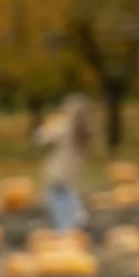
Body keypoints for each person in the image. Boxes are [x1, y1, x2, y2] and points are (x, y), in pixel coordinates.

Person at [37, 94, 95, 233]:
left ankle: (68, 229)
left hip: (58, 169)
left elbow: (40, 138)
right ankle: (79, 220)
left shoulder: (63, 126)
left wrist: (48, 124)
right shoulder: (87, 128)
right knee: (68, 196)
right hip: (73, 170)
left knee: (58, 203)